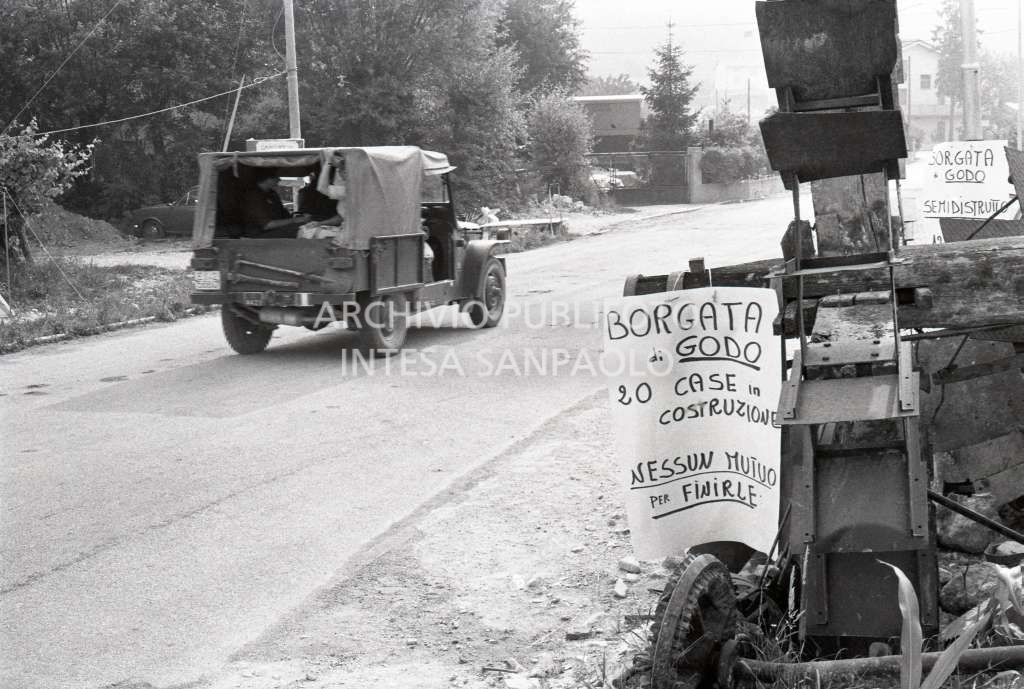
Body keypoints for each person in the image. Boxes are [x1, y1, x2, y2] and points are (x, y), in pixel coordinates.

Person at [243, 169, 308, 236]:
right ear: (268, 179)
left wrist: (300, 218)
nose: (279, 180)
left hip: (276, 230)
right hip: (260, 235)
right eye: (277, 177)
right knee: (302, 231)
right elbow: (267, 225)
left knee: (308, 226)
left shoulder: (272, 194)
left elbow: (284, 215)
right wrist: (294, 220)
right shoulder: (254, 196)